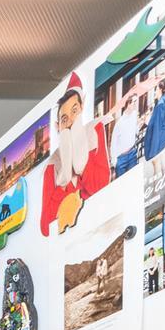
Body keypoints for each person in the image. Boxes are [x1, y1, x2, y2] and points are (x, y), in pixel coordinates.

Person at [40, 74, 111, 233]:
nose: (71, 121)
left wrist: (82, 165)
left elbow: (101, 188)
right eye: (64, 119)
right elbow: (46, 227)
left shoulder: (94, 132)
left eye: (74, 111)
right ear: (58, 126)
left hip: (99, 226)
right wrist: (64, 181)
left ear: (82, 106)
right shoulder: (52, 165)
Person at [109, 91, 142, 178]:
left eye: (136, 102)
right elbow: (113, 143)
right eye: (134, 102)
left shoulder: (134, 115)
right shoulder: (119, 123)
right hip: (121, 158)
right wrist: (114, 161)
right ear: (128, 104)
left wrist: (139, 124)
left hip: (132, 153)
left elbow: (135, 131)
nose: (135, 104)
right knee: (121, 184)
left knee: (133, 180)